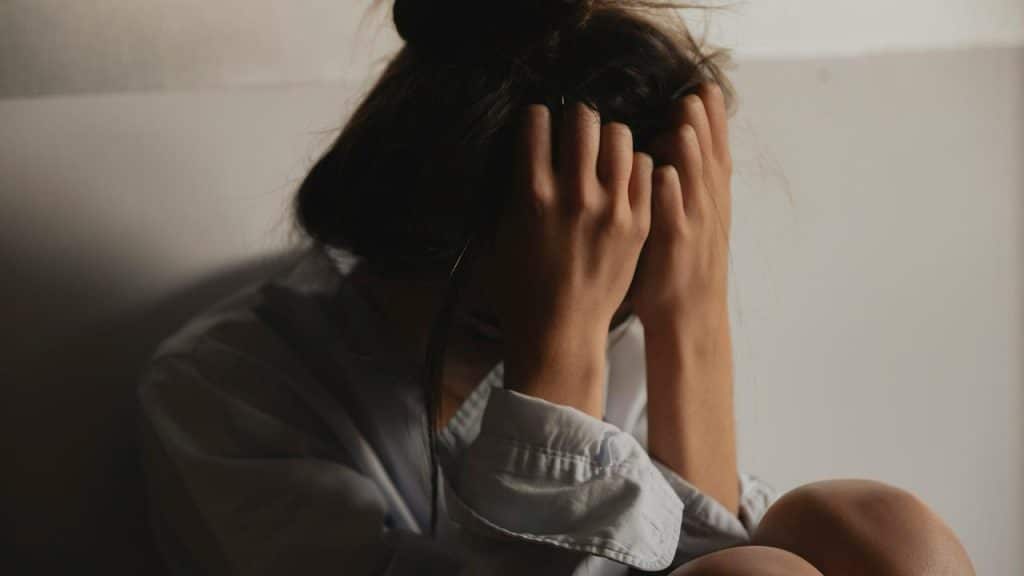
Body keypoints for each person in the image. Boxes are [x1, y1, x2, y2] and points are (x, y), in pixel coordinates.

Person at [137, 1, 976, 574]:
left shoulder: (628, 324)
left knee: (883, 533)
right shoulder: (223, 393)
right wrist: (557, 354)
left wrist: (690, 325)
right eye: (492, 326)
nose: (598, 332)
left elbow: (700, 550)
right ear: (406, 223)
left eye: (606, 313)